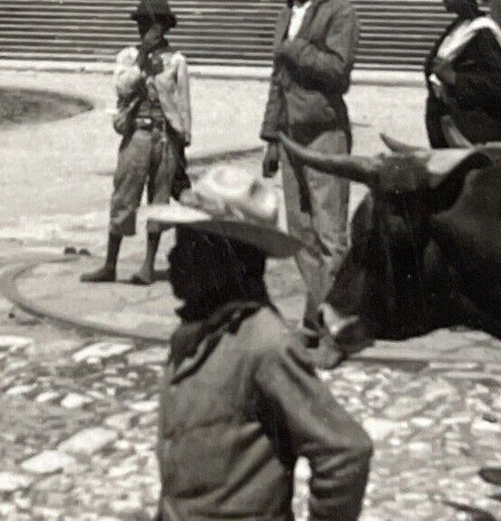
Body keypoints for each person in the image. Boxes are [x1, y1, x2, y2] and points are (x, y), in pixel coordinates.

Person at [145, 166, 373, 520]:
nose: (173, 259)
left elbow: (345, 450)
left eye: (190, 247)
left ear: (228, 262)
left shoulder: (264, 343)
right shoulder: (194, 333)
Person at [260, 0, 358, 339]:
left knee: (331, 232)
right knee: (299, 233)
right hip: (290, 134)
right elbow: (278, 78)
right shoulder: (289, 11)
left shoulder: (339, 12)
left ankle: (333, 321)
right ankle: (318, 312)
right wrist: (270, 137)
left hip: (324, 132)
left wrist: (295, 48)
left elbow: (339, 72)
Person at [82, 0, 191, 286]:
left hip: (165, 137)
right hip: (137, 134)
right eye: (143, 24)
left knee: (159, 200)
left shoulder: (177, 60)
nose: (146, 30)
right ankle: (109, 264)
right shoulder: (128, 57)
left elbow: (183, 105)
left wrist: (183, 140)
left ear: (165, 27)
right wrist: (142, 59)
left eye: (153, 24)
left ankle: (147, 265)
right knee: (123, 197)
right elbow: (122, 86)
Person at [424, 0, 501, 147]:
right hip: (448, 136)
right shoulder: (456, 29)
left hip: (474, 139)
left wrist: (456, 78)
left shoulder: (482, 32)